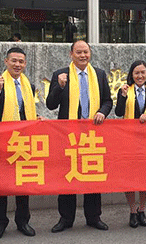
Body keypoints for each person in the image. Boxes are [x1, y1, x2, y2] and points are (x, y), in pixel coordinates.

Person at [46, 40, 113, 233]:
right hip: (68, 134)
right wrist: (59, 86)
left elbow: (108, 101)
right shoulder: (60, 75)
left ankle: (94, 217)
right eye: (79, 52)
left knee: (93, 175)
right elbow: (51, 105)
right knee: (67, 176)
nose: (83, 55)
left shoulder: (99, 74)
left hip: (93, 134)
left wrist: (102, 112)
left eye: (86, 52)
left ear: (90, 53)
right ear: (71, 54)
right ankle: (66, 219)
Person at [0, 47, 39, 240]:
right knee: (1, 184)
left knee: (23, 183)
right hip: (2, 140)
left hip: (24, 140)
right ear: (6, 61)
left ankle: (23, 221)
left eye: (21, 61)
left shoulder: (28, 85)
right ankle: (0, 222)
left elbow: (26, 112)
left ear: (25, 64)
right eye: (14, 61)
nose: (17, 64)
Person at [114, 60, 146, 228]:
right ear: (131, 75)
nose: (140, 76)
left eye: (143, 72)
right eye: (136, 73)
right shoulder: (125, 90)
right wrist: (122, 97)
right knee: (129, 176)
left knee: (144, 176)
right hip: (128, 140)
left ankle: (142, 209)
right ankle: (132, 210)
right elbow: (118, 113)